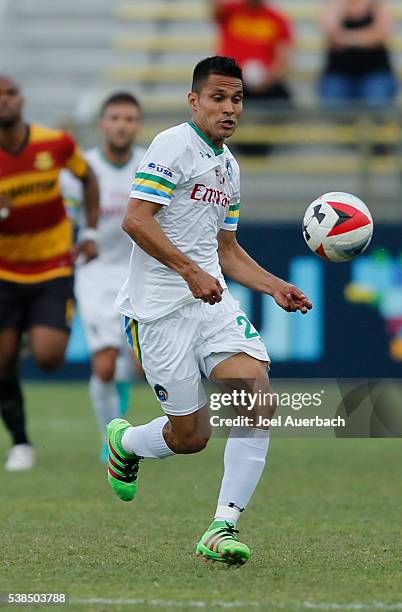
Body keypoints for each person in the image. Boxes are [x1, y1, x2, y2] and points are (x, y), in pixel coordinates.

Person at [106, 56, 312, 565]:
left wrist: (273, 286)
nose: (229, 108)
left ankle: (222, 525)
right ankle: (128, 443)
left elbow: (225, 250)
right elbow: (136, 220)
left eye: (237, 98)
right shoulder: (174, 144)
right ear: (194, 100)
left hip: (211, 303)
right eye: (218, 97)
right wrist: (187, 272)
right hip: (158, 313)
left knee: (257, 395)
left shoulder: (229, 166)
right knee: (190, 436)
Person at [0, 76, 99, 471]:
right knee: (2, 363)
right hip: (4, 270)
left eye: (9, 94)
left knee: (49, 357)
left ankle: (27, 333)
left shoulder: (54, 143)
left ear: (21, 99)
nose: (4, 101)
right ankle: (21, 443)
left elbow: (87, 178)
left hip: (52, 264)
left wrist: (88, 231)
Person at [61, 93, 145, 461]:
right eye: (115, 117)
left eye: (129, 118)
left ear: (137, 125)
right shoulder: (80, 171)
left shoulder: (149, 166)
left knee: (141, 366)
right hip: (94, 274)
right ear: (102, 124)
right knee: (106, 363)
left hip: (139, 272)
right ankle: (110, 442)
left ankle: (119, 418)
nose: (121, 125)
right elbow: (64, 222)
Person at [212, 0, 295, 154]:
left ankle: (266, 143)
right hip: (233, 79)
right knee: (218, 99)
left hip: (267, 80)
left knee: (285, 101)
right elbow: (215, 8)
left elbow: (283, 58)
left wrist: (267, 80)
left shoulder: (277, 19)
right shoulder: (232, 12)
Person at [319, 0, 398, 108]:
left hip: (375, 73)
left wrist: (345, 38)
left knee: (376, 103)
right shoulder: (334, 5)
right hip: (339, 74)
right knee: (334, 106)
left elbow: (379, 35)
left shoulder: (377, 5)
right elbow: (332, 35)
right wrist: (367, 37)